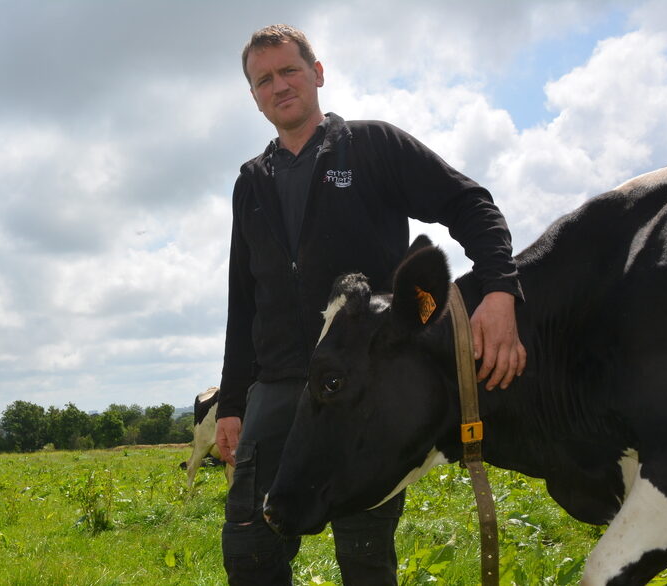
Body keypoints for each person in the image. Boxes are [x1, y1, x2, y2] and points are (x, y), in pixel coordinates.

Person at [216, 24, 526, 585]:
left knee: (363, 557)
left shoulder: (373, 145)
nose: (279, 85)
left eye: (289, 70)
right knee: (249, 551)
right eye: (264, 79)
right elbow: (245, 301)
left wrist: (501, 287)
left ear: (318, 73)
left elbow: (469, 202)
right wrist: (233, 401)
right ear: (254, 96)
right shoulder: (250, 183)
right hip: (279, 385)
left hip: (363, 388)